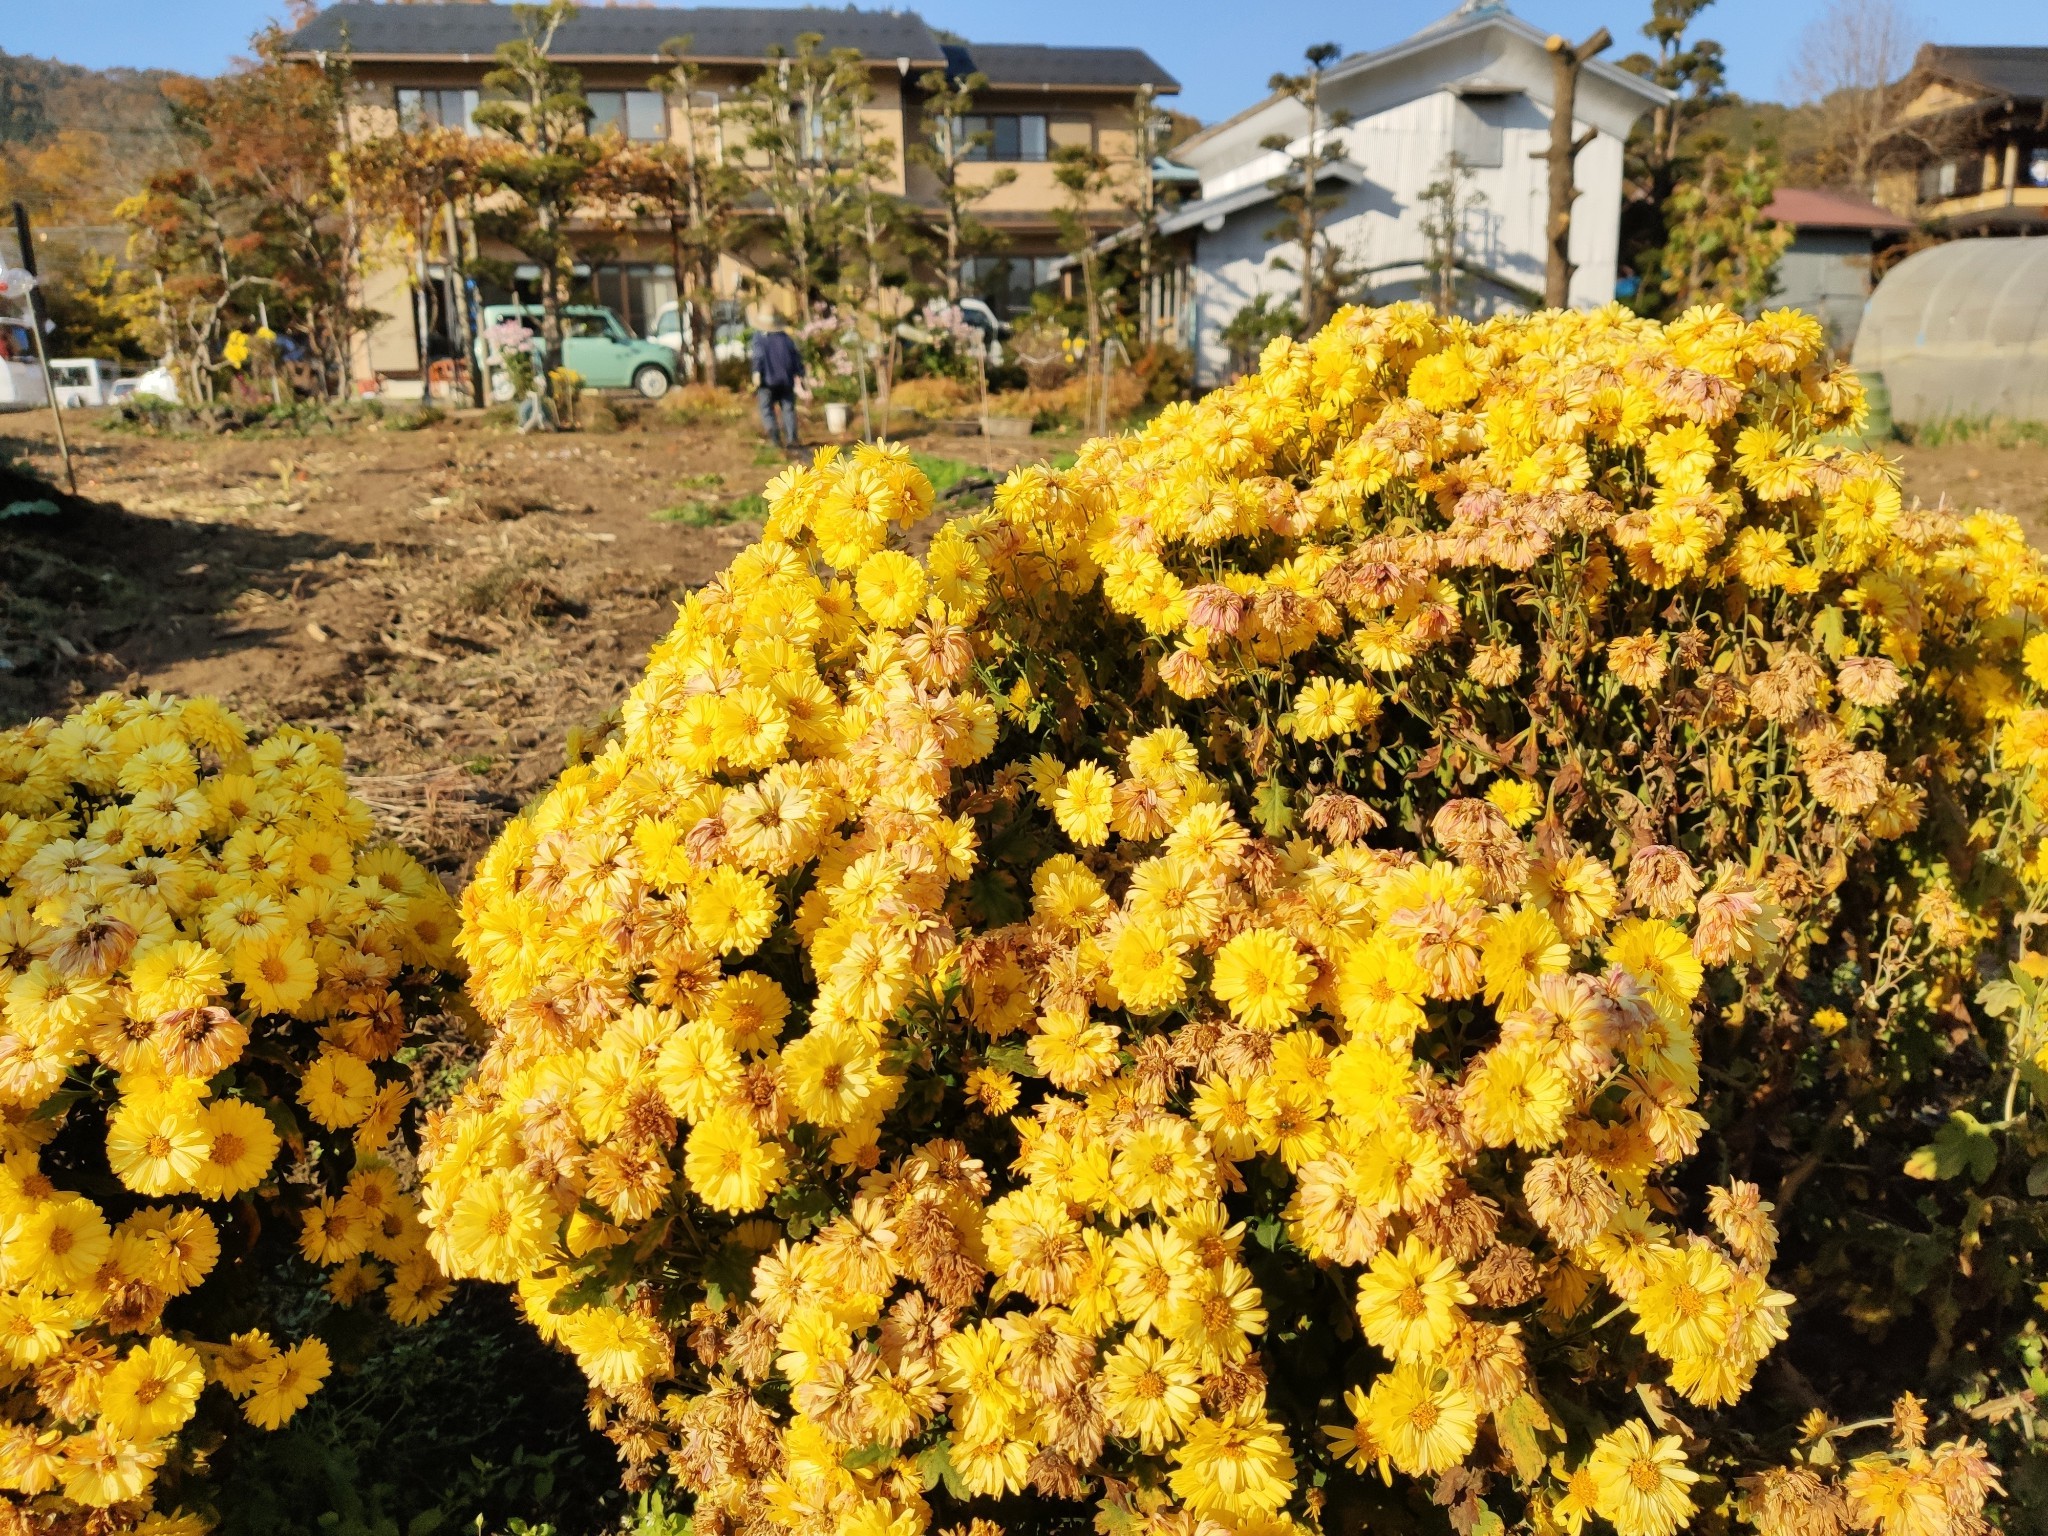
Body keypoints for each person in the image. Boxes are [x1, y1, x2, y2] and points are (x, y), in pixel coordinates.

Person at [750, 313, 804, 450]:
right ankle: (792, 440)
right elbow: (796, 358)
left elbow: (758, 356)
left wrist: (756, 373)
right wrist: (800, 373)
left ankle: (775, 440)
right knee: (788, 409)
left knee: (767, 410)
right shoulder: (786, 339)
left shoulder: (759, 338)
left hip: (766, 381)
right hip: (786, 380)